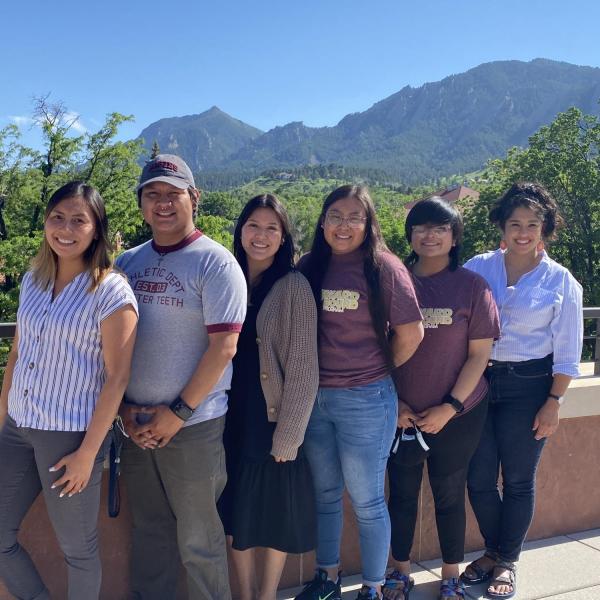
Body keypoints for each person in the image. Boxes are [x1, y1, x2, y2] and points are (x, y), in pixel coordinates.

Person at [116, 154, 247, 600]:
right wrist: (122, 409)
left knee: (199, 540)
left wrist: (177, 414)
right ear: (141, 204)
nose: (163, 203)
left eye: (173, 194)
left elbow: (223, 347)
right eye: (152, 194)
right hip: (133, 423)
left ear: (194, 197)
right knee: (149, 533)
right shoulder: (126, 262)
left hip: (194, 426)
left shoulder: (216, 263)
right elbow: (108, 343)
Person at [0, 181, 138, 600]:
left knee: (78, 551)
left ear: (96, 229)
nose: (65, 228)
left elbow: (117, 378)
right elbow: (17, 353)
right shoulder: (33, 281)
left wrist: (86, 455)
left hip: (69, 436)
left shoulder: (111, 291)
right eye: (57, 217)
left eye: (79, 220)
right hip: (17, 428)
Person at [295, 184, 424, 600]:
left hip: (367, 400)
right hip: (314, 399)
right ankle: (327, 578)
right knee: (326, 493)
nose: (344, 225)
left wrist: (375, 372)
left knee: (367, 499)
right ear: (322, 221)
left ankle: (371, 586)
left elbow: (411, 333)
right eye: (335, 215)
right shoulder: (309, 266)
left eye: (355, 217)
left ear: (369, 223)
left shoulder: (384, 267)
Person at [462, 182, 583, 599]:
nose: (523, 232)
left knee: (516, 480)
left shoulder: (561, 281)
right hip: (477, 382)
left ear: (545, 228)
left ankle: (505, 559)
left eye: (533, 223)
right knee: (477, 478)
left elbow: (567, 353)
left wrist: (554, 402)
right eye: (515, 223)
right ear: (502, 226)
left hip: (530, 387)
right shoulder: (478, 268)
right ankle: (495, 551)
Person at [384, 198, 499, 600]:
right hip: (400, 413)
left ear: (454, 237)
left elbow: (479, 355)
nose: (429, 235)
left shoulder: (472, 287)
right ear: (409, 235)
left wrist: (449, 408)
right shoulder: (391, 281)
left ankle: (450, 576)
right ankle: (398, 572)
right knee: (400, 495)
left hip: (459, 413)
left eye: (440, 228)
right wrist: (393, 403)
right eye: (420, 228)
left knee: (450, 496)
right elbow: (374, 349)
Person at [218, 193, 318, 600]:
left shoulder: (293, 286)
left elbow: (303, 368)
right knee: (234, 513)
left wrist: (289, 435)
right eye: (253, 226)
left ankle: (266, 595)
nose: (261, 235)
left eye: (271, 228)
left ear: (283, 238)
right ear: (241, 229)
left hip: (271, 417)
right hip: (226, 415)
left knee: (273, 514)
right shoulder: (224, 275)